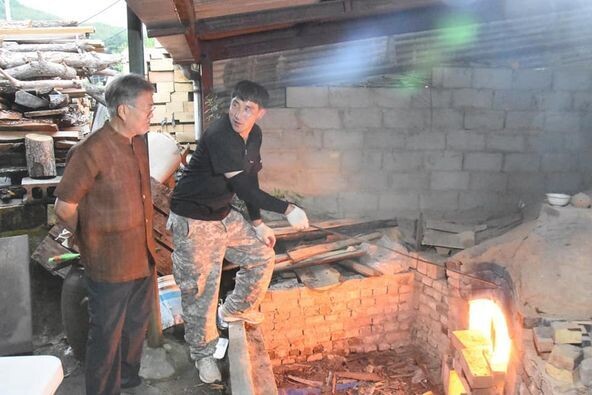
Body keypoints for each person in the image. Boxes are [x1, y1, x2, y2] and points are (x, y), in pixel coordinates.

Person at [168, 80, 309, 383]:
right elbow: (243, 187)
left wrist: (257, 223)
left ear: (261, 114)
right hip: (193, 218)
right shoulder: (220, 135)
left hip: (222, 213)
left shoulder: (253, 134)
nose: (239, 114)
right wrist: (288, 209)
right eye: (235, 104)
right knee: (201, 290)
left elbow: (250, 180)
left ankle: (233, 311)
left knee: (262, 256)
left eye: (248, 108)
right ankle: (203, 355)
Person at [54, 74, 160, 395]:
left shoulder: (138, 142)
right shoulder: (90, 151)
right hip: (109, 262)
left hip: (142, 254)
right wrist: (89, 235)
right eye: (147, 109)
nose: (151, 114)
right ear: (124, 111)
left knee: (135, 326)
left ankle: (128, 380)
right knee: (106, 333)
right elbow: (64, 206)